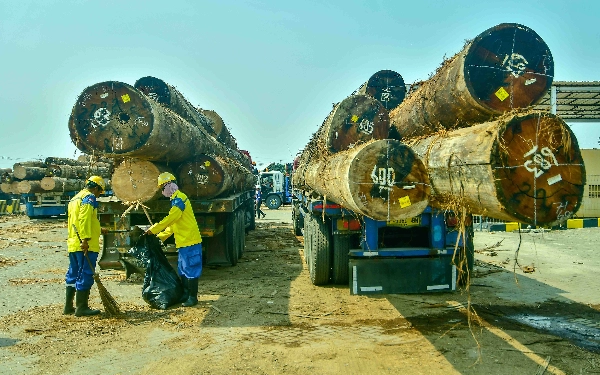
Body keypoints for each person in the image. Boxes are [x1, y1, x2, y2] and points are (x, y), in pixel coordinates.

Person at [145, 172, 202, 307]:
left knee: (191, 269)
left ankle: (193, 297)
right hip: (183, 241)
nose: (163, 190)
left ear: (170, 185)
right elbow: (174, 225)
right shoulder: (175, 200)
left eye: (163, 187)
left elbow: (171, 218)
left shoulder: (179, 199)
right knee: (182, 269)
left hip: (190, 240)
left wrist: (154, 229)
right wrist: (160, 236)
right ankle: (185, 294)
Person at [65, 176, 108, 317]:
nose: (98, 195)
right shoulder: (89, 198)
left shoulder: (75, 198)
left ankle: (68, 307)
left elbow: (78, 220)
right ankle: (81, 307)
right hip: (85, 244)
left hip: (73, 243)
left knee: (73, 273)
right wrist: (85, 239)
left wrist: (99, 229)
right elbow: (84, 218)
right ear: (95, 188)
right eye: (99, 192)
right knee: (86, 274)